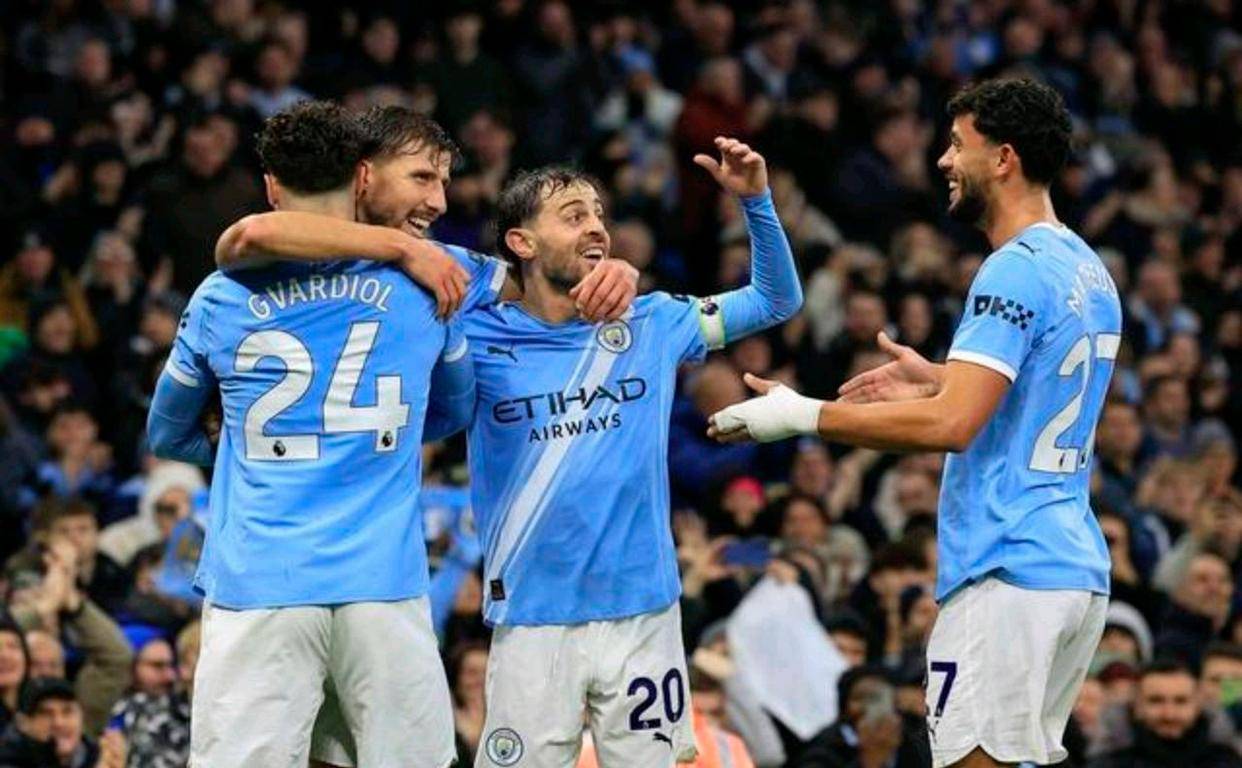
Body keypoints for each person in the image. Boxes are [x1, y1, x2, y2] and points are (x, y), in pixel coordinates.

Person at [709, 78, 1121, 768]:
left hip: (1008, 568)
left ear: (1004, 159)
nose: (942, 161)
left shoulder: (1011, 271)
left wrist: (803, 415)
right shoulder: (1086, 267)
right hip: (1071, 569)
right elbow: (1038, 394)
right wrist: (940, 379)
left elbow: (953, 426)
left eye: (958, 145)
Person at [143, 101, 504, 767]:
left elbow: (166, 433)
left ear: (271, 186)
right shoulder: (432, 284)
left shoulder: (221, 295)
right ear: (363, 178)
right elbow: (455, 409)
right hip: (383, 583)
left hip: (260, 581)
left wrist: (237, 445)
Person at [457, 137, 799, 767]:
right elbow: (417, 269)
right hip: (532, 616)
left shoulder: (654, 322)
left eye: (598, 215)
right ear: (521, 243)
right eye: (573, 216)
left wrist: (756, 202)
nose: (596, 228)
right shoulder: (475, 336)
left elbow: (777, 299)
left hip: (644, 613)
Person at [1087, 659, 1242, 767]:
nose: (1169, 714)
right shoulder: (1107, 762)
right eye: (1156, 701)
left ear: (1198, 705)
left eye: (1181, 701)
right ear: (1136, 706)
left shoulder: (1228, 761)